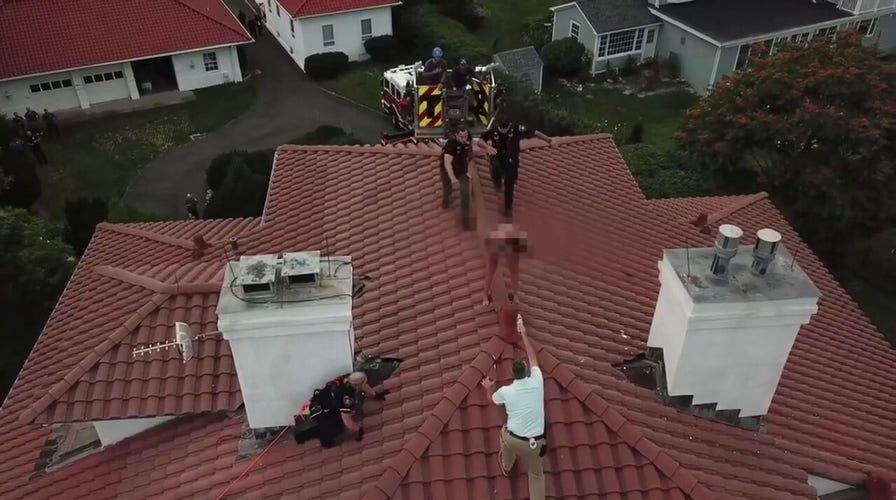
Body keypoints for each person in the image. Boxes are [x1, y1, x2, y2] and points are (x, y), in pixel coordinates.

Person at [482, 323, 546, 500]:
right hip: (537, 443)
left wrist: (488, 387)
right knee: (537, 474)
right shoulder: (537, 380)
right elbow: (534, 359)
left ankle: (507, 465)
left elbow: (491, 401)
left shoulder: (506, 391)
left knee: (504, 433)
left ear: (512, 373)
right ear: (526, 372)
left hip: (517, 441)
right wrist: (523, 334)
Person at [481, 116, 533, 217]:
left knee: (510, 183)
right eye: (501, 129)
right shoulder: (494, 130)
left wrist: (548, 140)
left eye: (505, 129)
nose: (503, 131)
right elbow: (480, 140)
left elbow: (534, 132)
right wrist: (487, 147)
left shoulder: (516, 129)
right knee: (495, 169)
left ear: (509, 126)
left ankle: (508, 208)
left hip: (511, 159)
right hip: (497, 158)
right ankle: (497, 180)